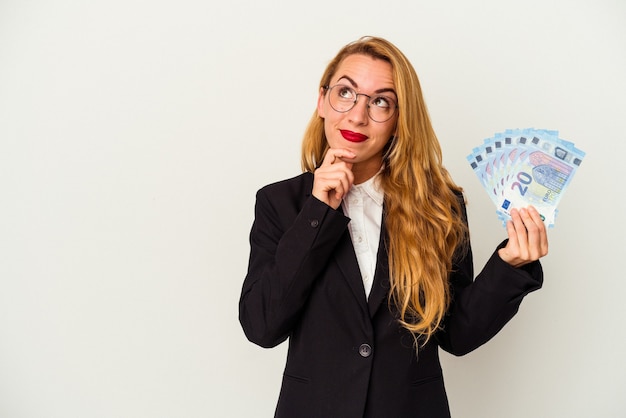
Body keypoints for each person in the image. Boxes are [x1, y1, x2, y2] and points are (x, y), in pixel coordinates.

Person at [239, 36, 548, 418]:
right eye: (346, 93)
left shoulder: (438, 207)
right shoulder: (279, 204)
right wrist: (317, 213)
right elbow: (262, 326)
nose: (357, 116)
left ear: (401, 120)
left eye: (381, 101)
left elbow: (457, 335)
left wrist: (510, 266)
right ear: (322, 101)